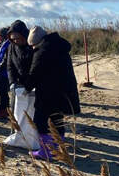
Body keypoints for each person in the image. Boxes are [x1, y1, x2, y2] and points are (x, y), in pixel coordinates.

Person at [24, 26, 80, 161]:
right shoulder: (59, 46)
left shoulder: (42, 51)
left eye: (32, 45)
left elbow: (34, 74)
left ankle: (46, 152)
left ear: (36, 42)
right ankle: (59, 149)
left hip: (48, 93)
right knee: (57, 121)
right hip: (64, 92)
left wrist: (26, 87)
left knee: (42, 122)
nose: (32, 48)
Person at [6, 20, 33, 110]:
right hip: (18, 85)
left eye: (18, 38)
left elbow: (37, 66)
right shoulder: (11, 47)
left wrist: (30, 85)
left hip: (33, 84)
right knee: (16, 110)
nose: (16, 41)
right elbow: (10, 66)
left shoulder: (33, 45)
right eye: (13, 39)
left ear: (24, 35)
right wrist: (12, 82)